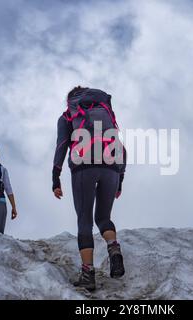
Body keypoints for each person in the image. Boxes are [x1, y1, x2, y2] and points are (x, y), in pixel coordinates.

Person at [52, 86, 126, 291]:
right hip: (112, 166)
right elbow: (122, 147)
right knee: (103, 217)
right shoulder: (106, 113)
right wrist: (120, 179)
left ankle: (88, 273)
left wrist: (55, 177)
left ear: (71, 101)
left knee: (84, 220)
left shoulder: (68, 116)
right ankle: (114, 249)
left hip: (84, 166)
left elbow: (62, 144)